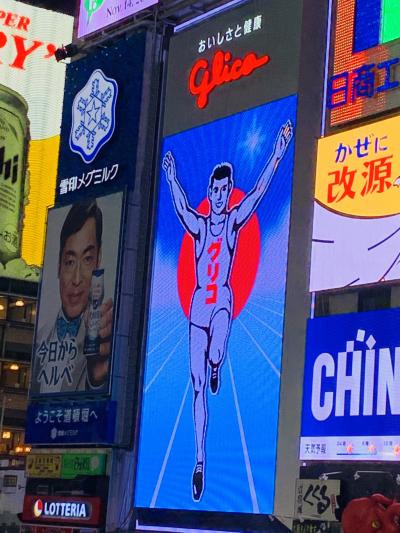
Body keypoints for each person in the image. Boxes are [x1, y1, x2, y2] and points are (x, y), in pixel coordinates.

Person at [162, 120, 293, 501]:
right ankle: (200, 461)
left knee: (216, 352)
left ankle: (217, 363)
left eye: (224, 190)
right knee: (197, 386)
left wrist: (278, 153)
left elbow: (258, 193)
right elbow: (181, 207)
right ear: (210, 192)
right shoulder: (201, 227)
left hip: (221, 300)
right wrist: (171, 177)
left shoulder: (233, 222)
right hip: (197, 308)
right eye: (215, 190)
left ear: (228, 190)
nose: (220, 195)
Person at [32, 200, 113, 394]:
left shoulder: (103, 339)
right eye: (69, 261)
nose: (77, 279)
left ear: (98, 260)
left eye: (87, 259)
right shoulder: (40, 338)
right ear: (58, 266)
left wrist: (96, 381)